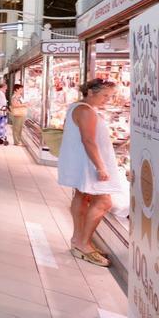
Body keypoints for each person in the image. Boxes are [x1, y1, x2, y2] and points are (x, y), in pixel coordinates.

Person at [57, 79, 121, 267]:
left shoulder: (77, 107)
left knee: (81, 195)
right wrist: (101, 166)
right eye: (105, 96)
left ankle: (78, 240)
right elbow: (89, 141)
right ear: (91, 92)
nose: (107, 100)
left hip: (82, 162)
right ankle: (84, 243)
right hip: (89, 164)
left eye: (110, 97)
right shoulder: (85, 111)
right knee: (104, 201)